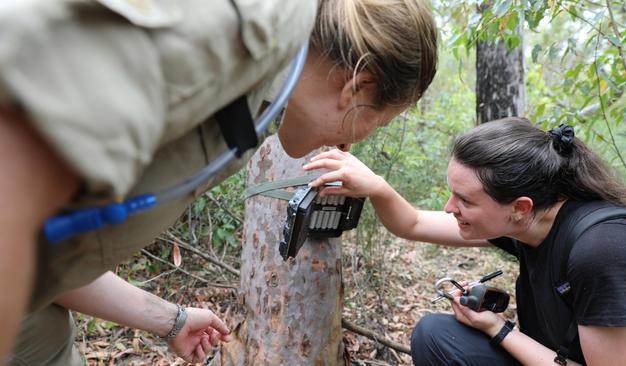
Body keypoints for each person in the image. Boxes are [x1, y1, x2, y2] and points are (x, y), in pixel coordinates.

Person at [0, 0, 439, 364]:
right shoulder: (245, 29)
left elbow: (49, 250)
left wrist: (169, 320)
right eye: (377, 123)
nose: (352, 146)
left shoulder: (255, 110)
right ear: (357, 89)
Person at [304, 117, 626, 365]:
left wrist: (499, 330)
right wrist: (376, 185)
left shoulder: (604, 252)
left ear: (519, 207)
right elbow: (413, 223)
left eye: (465, 201)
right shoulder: (530, 223)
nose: (450, 208)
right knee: (436, 335)